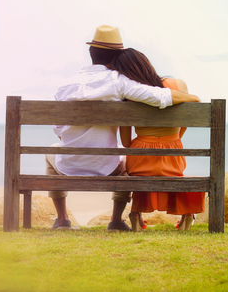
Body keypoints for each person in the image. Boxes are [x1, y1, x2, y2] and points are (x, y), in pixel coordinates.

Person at [46, 25, 200, 232]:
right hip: (107, 167)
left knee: (51, 150)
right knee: (127, 161)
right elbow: (158, 96)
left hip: (69, 165)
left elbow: (58, 128)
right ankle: (116, 221)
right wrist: (193, 99)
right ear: (116, 58)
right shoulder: (119, 82)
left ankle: (62, 219)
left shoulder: (66, 84)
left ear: (91, 53)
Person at [112, 48, 205, 232]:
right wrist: (174, 140)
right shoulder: (179, 85)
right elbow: (187, 118)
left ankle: (136, 213)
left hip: (141, 161)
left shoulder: (129, 94)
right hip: (173, 156)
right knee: (177, 172)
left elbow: (125, 142)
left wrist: (144, 145)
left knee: (136, 169)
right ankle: (187, 215)